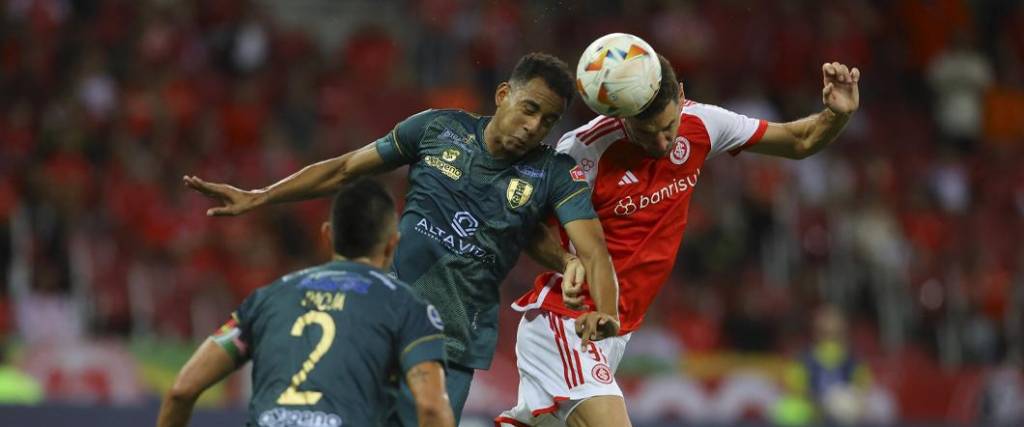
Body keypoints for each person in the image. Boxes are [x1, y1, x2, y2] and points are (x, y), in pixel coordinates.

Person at [183, 53, 621, 425]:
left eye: (547, 120)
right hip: (382, 326)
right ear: (503, 94)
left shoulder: (552, 173)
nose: (534, 126)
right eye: (529, 109)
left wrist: (603, 308)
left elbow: (592, 249)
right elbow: (343, 169)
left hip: (453, 346)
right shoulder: (436, 130)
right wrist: (260, 196)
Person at [497, 56, 861, 426]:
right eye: (646, 132)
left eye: (668, 127)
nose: (662, 142)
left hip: (614, 334)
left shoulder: (703, 122)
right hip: (569, 323)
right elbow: (526, 224)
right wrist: (566, 262)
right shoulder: (585, 149)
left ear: (682, 95)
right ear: (623, 118)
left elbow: (798, 140)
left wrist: (836, 115)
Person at [157, 179, 454, 427]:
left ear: (327, 235)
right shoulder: (407, 307)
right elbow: (431, 408)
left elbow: (182, 390)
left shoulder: (267, 298)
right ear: (392, 244)